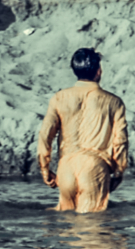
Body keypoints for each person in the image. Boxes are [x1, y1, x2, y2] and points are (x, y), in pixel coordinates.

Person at [37, 48, 129, 213]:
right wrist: (119, 171)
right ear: (99, 71)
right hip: (95, 166)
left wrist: (45, 169)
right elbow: (120, 141)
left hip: (65, 167)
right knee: (92, 226)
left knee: (67, 226)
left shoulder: (59, 98)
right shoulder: (114, 102)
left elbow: (45, 135)